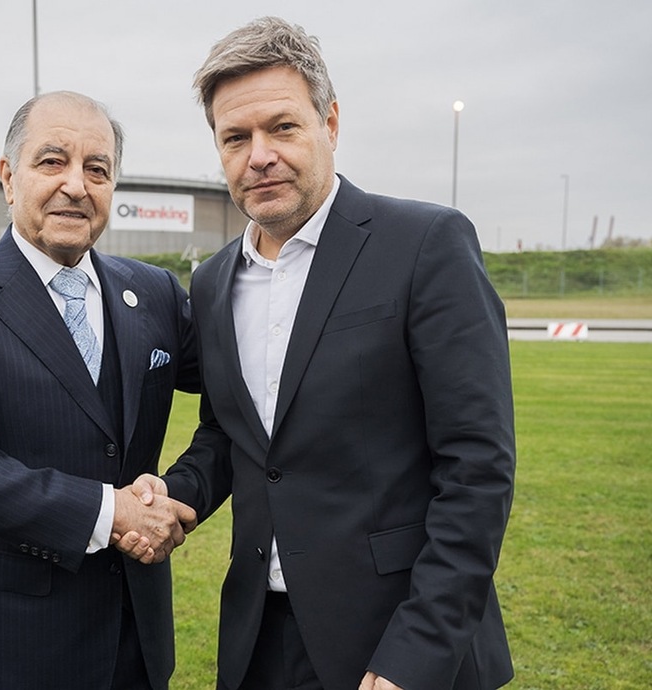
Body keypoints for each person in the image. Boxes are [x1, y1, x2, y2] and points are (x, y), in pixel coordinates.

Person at [131, 16, 516, 690]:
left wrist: (415, 655)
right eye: (235, 137)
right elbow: (232, 435)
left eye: (282, 127)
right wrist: (175, 494)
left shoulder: (425, 244)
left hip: (393, 636)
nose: (259, 156)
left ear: (330, 123)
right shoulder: (214, 281)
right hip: (259, 638)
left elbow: (477, 469)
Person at [0, 91, 198, 690]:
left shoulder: (156, 293)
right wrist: (112, 512)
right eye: (52, 161)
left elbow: (238, 405)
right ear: (9, 178)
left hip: (136, 643)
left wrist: (179, 495)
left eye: (97, 169)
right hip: (9, 649)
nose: (76, 186)